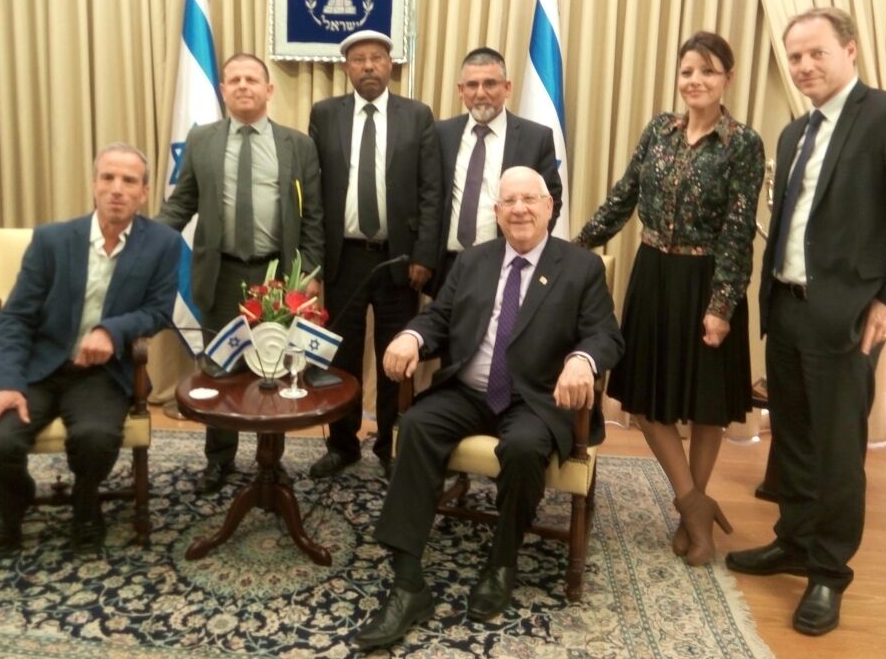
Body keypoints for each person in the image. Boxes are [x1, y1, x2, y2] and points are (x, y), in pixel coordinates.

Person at [726, 8, 886, 636]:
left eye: (816, 53)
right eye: (795, 56)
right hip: (787, 311)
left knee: (838, 452)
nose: (803, 66)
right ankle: (794, 542)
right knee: (792, 439)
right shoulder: (795, 133)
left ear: (850, 50)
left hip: (848, 319)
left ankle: (828, 571)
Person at [354, 167, 623, 649]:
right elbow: (440, 317)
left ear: (549, 207)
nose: (519, 209)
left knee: (523, 449)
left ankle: (502, 561)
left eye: (529, 199)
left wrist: (583, 360)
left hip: (535, 398)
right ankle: (408, 582)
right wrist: (412, 335)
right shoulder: (474, 261)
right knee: (415, 425)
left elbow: (605, 335)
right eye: (508, 202)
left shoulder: (580, 268)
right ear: (496, 212)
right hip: (468, 391)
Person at [575, 31, 765, 566]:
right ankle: (693, 502)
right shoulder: (659, 129)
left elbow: (738, 231)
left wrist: (722, 306)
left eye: (708, 71)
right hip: (654, 274)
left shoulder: (743, 143)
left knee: (707, 407)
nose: (695, 81)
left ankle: (691, 517)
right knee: (643, 398)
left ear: (728, 78)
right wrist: (574, 247)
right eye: (687, 71)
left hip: (708, 279)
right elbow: (624, 196)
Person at [0, 143, 181, 554]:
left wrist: (110, 332)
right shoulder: (52, 240)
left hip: (104, 373)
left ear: (143, 193)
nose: (116, 188)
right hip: (39, 368)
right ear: (94, 184)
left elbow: (157, 312)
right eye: (108, 177)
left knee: (96, 439)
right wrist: (4, 383)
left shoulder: (163, 244)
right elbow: (15, 318)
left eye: (129, 181)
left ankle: (86, 501)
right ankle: (15, 498)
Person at [158, 53, 324, 494]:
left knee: (273, 371)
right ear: (223, 90)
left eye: (252, 79)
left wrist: (309, 274)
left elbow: (313, 217)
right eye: (234, 80)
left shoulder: (297, 146)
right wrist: (144, 240)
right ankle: (219, 460)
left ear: (269, 90)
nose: (243, 86)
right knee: (220, 370)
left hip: (276, 279)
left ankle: (271, 459)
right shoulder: (202, 141)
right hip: (221, 273)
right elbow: (182, 202)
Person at [308, 29, 442, 480]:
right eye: (359, 59)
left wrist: (424, 256)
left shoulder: (417, 116)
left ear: (390, 65)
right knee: (340, 357)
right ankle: (342, 445)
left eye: (377, 58)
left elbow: (432, 191)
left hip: (399, 261)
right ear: (346, 67)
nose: (368, 66)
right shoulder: (325, 114)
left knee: (395, 356)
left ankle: (390, 444)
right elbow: (314, 192)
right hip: (342, 259)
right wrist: (314, 263)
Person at [431, 46, 562, 292]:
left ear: (507, 87)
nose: (480, 93)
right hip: (448, 265)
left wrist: (525, 246)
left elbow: (551, 202)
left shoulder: (535, 138)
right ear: (460, 90)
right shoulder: (441, 133)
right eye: (472, 85)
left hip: (506, 264)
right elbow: (428, 196)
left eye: (490, 84)